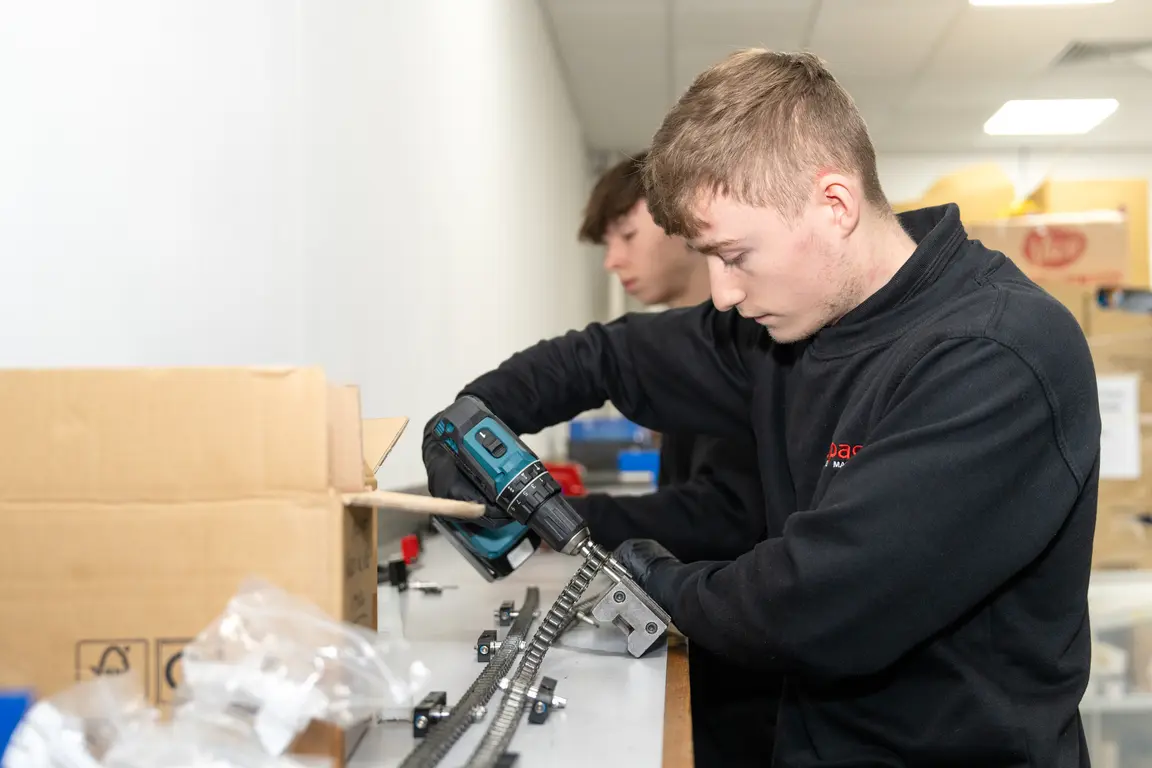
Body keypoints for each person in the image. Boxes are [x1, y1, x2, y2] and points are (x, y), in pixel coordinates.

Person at [424, 48, 1100, 767]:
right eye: (708, 258)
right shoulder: (786, 328)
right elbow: (607, 356)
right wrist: (475, 412)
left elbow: (820, 602)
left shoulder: (995, 356)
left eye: (737, 255)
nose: (721, 293)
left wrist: (653, 576)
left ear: (834, 205)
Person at [570, 151, 774, 766]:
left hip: (750, 667)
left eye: (626, 235)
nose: (613, 261)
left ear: (678, 215)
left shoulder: (755, 341)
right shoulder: (681, 356)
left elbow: (728, 514)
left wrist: (570, 520)